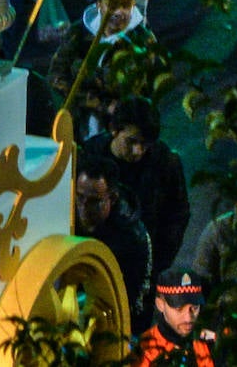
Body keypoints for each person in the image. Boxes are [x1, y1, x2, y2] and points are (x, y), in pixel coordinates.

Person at [82, 95, 191, 277]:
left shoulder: (164, 163)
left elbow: (177, 215)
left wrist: (157, 262)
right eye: (131, 141)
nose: (138, 151)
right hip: (95, 261)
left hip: (144, 265)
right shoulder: (90, 157)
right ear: (114, 130)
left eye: (145, 144)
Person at [74, 156, 154, 332]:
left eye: (94, 201)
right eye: (79, 197)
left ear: (113, 198)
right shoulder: (66, 217)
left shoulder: (133, 239)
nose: (83, 208)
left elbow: (131, 299)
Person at [133, 269, 216, 365]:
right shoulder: (145, 350)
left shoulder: (208, 342)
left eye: (194, 308)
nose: (188, 318)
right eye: (179, 309)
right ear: (160, 304)